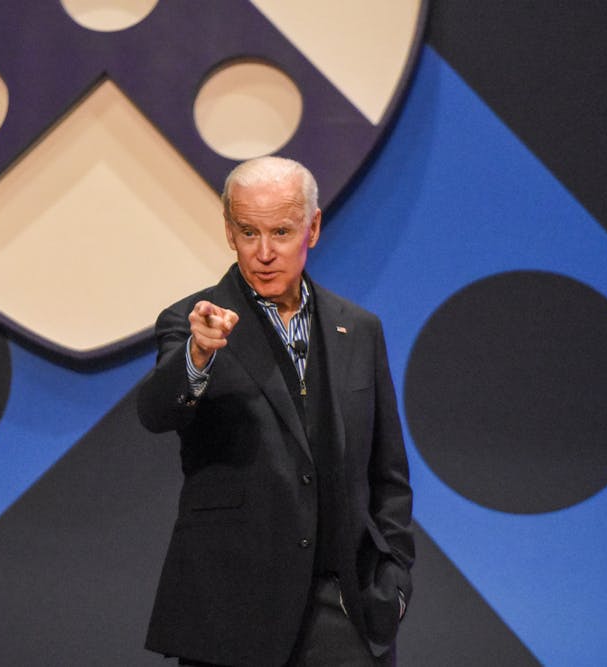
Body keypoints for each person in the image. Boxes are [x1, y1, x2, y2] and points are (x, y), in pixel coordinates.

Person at [137, 156, 414, 666]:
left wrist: (393, 581)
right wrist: (197, 356)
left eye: (281, 232)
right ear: (229, 232)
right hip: (230, 612)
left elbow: (388, 473)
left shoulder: (359, 329)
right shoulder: (194, 323)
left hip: (345, 610)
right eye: (249, 232)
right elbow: (156, 412)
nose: (264, 253)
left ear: (313, 228)